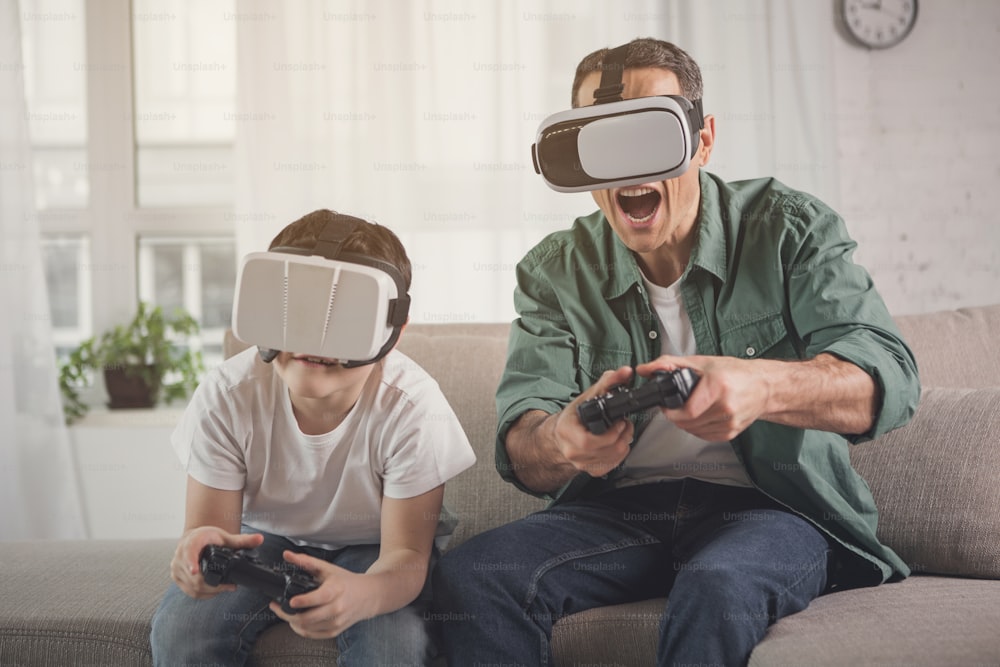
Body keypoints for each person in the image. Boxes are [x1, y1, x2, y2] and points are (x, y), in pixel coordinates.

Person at [432, 37, 920, 666]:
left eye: (651, 136)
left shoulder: (790, 229)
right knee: (475, 575)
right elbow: (524, 444)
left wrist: (759, 387)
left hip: (770, 510)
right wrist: (562, 440)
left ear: (703, 138)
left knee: (718, 587)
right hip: (619, 514)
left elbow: (891, 379)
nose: (628, 169)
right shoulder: (554, 271)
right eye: (605, 144)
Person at [150, 209, 475, 666]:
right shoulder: (227, 395)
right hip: (263, 539)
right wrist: (198, 557)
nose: (316, 340)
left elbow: (406, 557)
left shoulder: (414, 409)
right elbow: (212, 533)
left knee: (393, 647)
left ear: (392, 332)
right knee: (184, 630)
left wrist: (364, 594)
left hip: (377, 548)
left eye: (344, 317)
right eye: (298, 311)